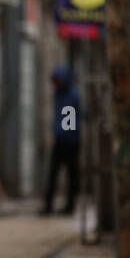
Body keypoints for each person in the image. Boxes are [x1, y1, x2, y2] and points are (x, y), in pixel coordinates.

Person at [42, 63, 80, 215]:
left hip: (69, 141)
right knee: (53, 173)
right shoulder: (58, 94)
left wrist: (64, 135)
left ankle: (70, 206)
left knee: (71, 175)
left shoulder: (72, 95)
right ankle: (48, 205)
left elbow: (68, 120)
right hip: (61, 138)